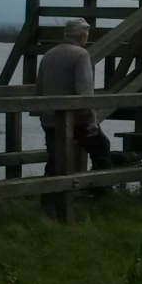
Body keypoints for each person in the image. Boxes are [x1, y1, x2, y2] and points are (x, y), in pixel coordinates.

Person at [35, 18, 112, 176]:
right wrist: (92, 120)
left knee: (55, 158)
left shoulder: (48, 55)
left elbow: (39, 89)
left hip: (49, 118)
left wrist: (42, 115)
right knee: (101, 146)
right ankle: (100, 188)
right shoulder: (81, 55)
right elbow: (84, 92)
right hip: (75, 120)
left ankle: (49, 196)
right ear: (82, 35)